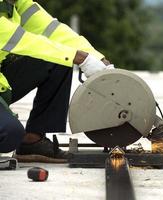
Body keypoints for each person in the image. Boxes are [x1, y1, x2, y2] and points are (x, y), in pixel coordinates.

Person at [0, 0, 113, 162]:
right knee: (9, 134)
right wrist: (80, 58)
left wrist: (98, 59)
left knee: (60, 59)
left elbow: (54, 31)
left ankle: (33, 141)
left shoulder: (16, 3)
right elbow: (23, 41)